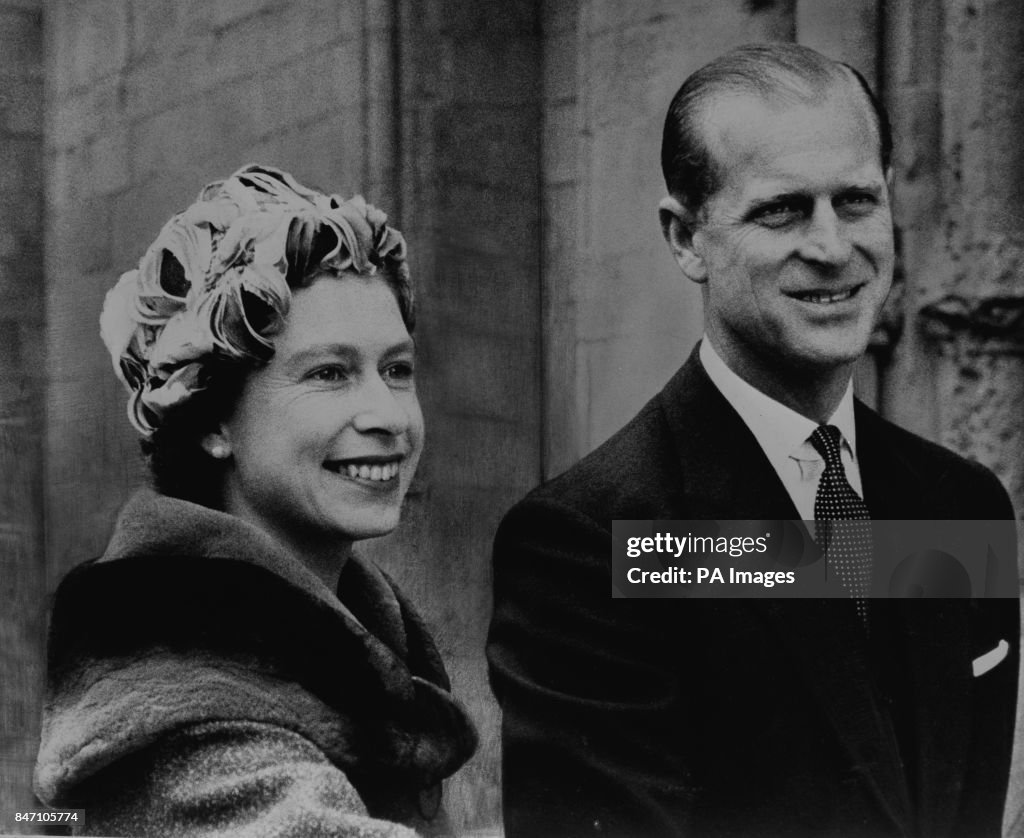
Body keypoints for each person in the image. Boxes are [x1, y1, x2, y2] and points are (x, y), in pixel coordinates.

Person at [487, 44, 1019, 838]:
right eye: (782, 209)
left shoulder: (965, 507)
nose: (834, 247)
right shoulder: (594, 543)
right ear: (686, 238)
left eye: (858, 201)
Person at [34, 164, 477, 837]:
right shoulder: (177, 706)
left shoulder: (355, 642)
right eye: (330, 374)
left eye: (397, 370)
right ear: (212, 417)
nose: (388, 415)